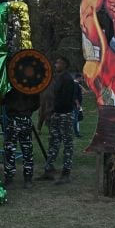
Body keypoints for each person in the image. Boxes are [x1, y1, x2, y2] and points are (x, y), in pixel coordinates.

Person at [37, 56, 76, 185]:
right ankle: (48, 170)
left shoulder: (68, 80)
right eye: (56, 62)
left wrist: (53, 109)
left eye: (59, 63)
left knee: (67, 144)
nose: (56, 64)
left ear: (65, 65)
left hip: (65, 114)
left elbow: (65, 99)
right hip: (56, 114)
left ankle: (66, 173)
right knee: (53, 142)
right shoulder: (57, 79)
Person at [2, 88, 40, 189]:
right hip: (26, 120)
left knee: (10, 150)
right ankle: (28, 180)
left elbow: (2, 100)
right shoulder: (31, 85)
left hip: (12, 120)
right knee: (27, 150)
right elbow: (37, 103)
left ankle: (9, 180)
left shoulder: (10, 84)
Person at [73, 73, 85, 137]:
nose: (82, 79)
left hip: (75, 104)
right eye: (81, 78)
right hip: (75, 104)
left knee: (75, 118)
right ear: (78, 78)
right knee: (75, 119)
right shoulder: (75, 84)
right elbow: (74, 95)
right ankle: (76, 133)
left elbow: (84, 92)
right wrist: (77, 104)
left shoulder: (76, 84)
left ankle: (75, 132)